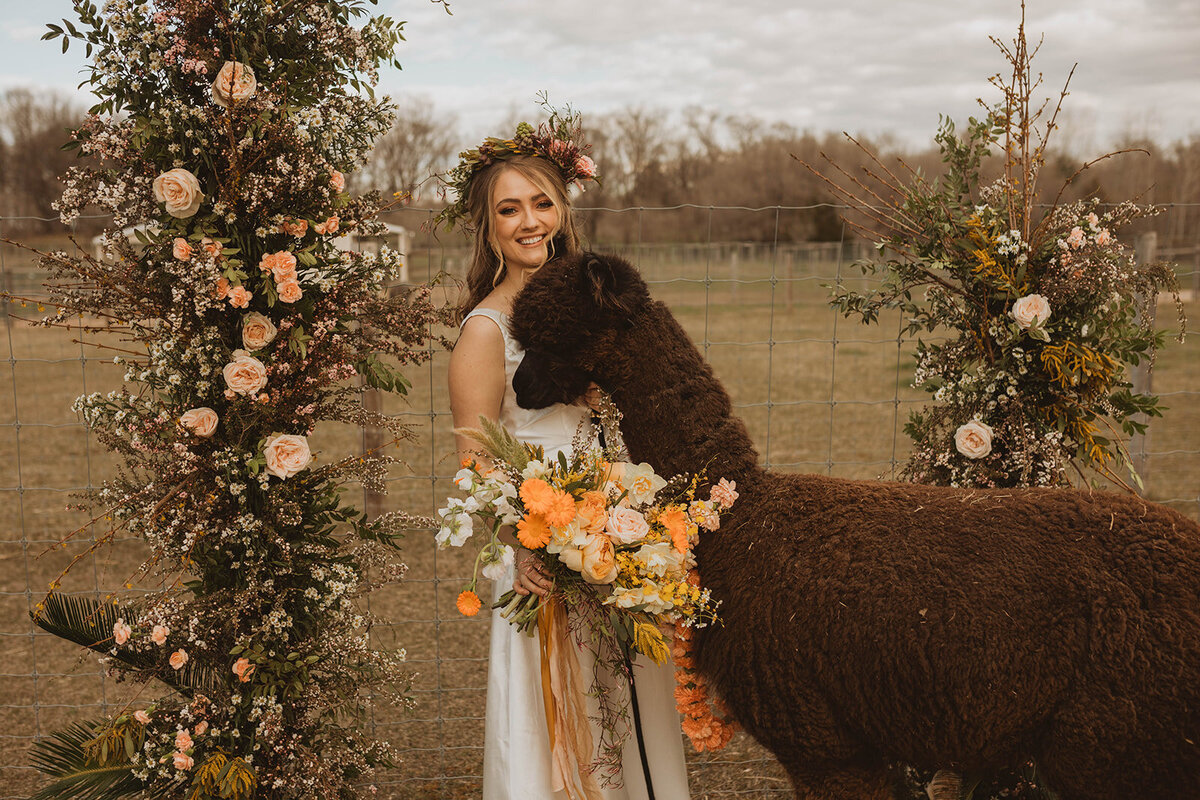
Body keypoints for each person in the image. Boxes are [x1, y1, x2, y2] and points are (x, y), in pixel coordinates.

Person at [445, 118, 691, 800]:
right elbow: (475, 460)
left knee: (626, 699)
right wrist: (518, 545)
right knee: (554, 714)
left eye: (542, 203)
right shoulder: (486, 330)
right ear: (488, 227)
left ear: (564, 209)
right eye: (509, 208)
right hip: (539, 546)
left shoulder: (597, 306)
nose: (529, 221)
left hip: (617, 537)